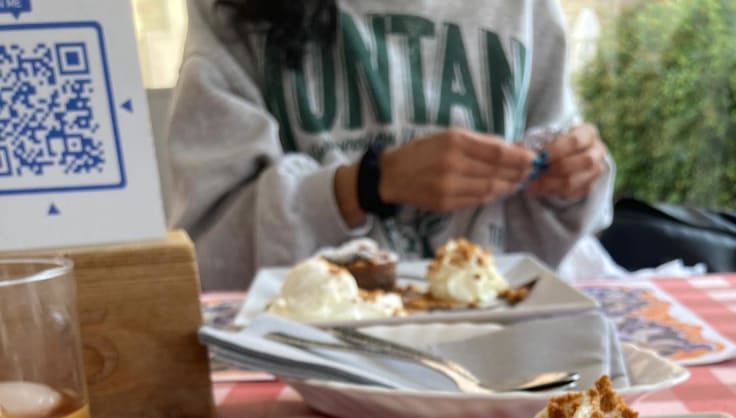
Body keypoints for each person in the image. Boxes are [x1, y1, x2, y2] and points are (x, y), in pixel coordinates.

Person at [168, 0, 614, 290]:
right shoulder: (229, 16)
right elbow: (206, 258)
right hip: (305, 360)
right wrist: (366, 185)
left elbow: (549, 239)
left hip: (500, 343)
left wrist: (573, 177)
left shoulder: (526, 10)